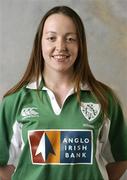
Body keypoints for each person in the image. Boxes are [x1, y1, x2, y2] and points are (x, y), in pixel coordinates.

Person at [0, 5, 127, 180]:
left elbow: (120, 159)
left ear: (80, 44)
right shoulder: (14, 101)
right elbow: (2, 165)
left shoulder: (104, 98)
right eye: (51, 38)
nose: (61, 46)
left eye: (70, 39)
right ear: (40, 43)